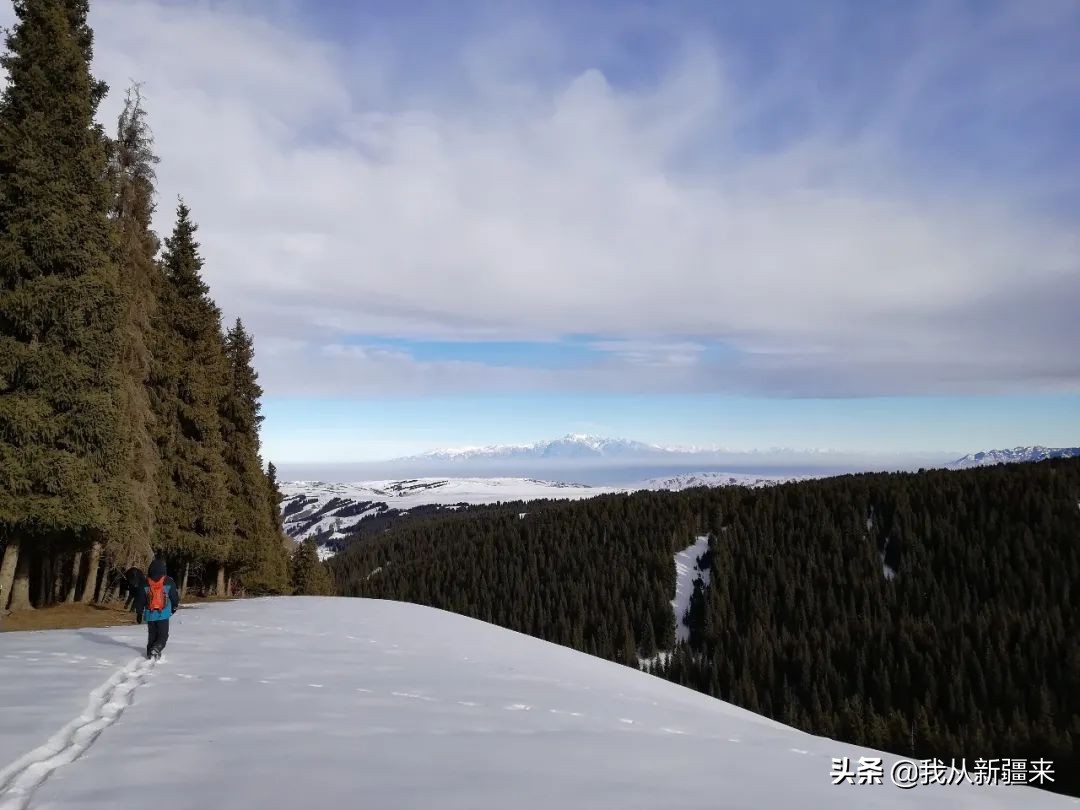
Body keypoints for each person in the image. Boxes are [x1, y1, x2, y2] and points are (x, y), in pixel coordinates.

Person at [137, 558, 180, 660]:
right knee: (163, 635)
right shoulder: (168, 581)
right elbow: (174, 596)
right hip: (163, 613)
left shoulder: (145, 582)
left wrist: (139, 613)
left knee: (152, 634)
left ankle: (149, 653)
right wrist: (174, 607)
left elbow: (140, 599)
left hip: (149, 613)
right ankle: (156, 648)